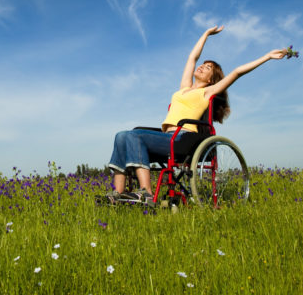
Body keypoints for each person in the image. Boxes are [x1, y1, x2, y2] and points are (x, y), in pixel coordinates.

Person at [105, 25, 287, 203]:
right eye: (203, 65)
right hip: (166, 136)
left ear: (210, 80)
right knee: (121, 136)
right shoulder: (184, 87)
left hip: (182, 139)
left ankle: (146, 193)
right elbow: (192, 57)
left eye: (207, 68)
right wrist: (206, 34)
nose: (201, 67)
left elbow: (238, 72)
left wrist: (267, 57)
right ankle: (118, 193)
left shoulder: (207, 92)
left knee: (134, 136)